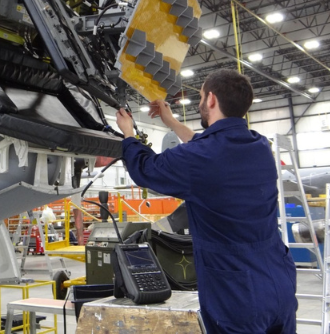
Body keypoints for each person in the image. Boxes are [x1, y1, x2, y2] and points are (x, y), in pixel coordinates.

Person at [116, 69, 297, 334]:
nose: (200, 102)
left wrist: (129, 135)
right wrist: (173, 123)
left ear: (210, 99)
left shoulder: (201, 157)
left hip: (237, 292)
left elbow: (145, 170)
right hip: (279, 281)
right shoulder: (258, 145)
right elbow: (209, 148)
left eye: (200, 96)